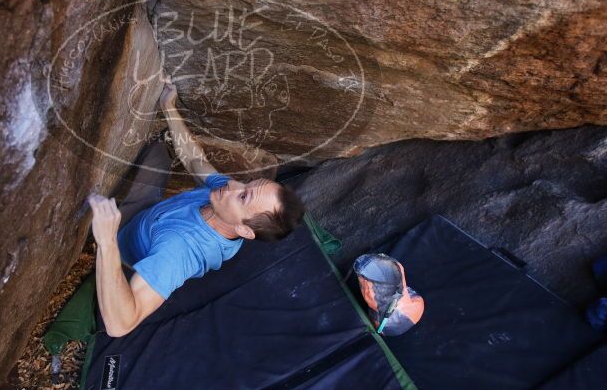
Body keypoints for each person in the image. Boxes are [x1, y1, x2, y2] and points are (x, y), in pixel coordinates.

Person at [87, 79, 306, 337]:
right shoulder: (225, 199)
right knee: (157, 153)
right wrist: (168, 106)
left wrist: (106, 242)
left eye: (244, 197)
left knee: (93, 198)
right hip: (151, 217)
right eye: (246, 183)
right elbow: (194, 160)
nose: (233, 184)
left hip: (125, 247)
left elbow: (120, 325)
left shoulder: (179, 251)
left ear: (244, 230)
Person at [353, 253, 425, 336]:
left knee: (374, 298)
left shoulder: (370, 292)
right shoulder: (398, 267)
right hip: (414, 308)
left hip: (387, 326)